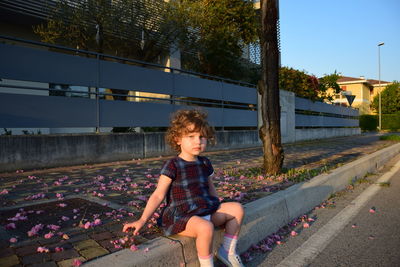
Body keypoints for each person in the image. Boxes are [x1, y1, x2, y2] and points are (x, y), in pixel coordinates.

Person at [122, 109, 245, 267]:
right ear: (178, 139)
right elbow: (158, 195)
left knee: (237, 209)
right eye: (191, 136)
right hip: (182, 216)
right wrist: (142, 220)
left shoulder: (205, 162)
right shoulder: (173, 165)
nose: (197, 141)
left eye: (202, 137)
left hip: (204, 210)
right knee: (206, 227)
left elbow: (210, 188)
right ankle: (207, 264)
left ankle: (227, 252)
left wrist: (217, 206)